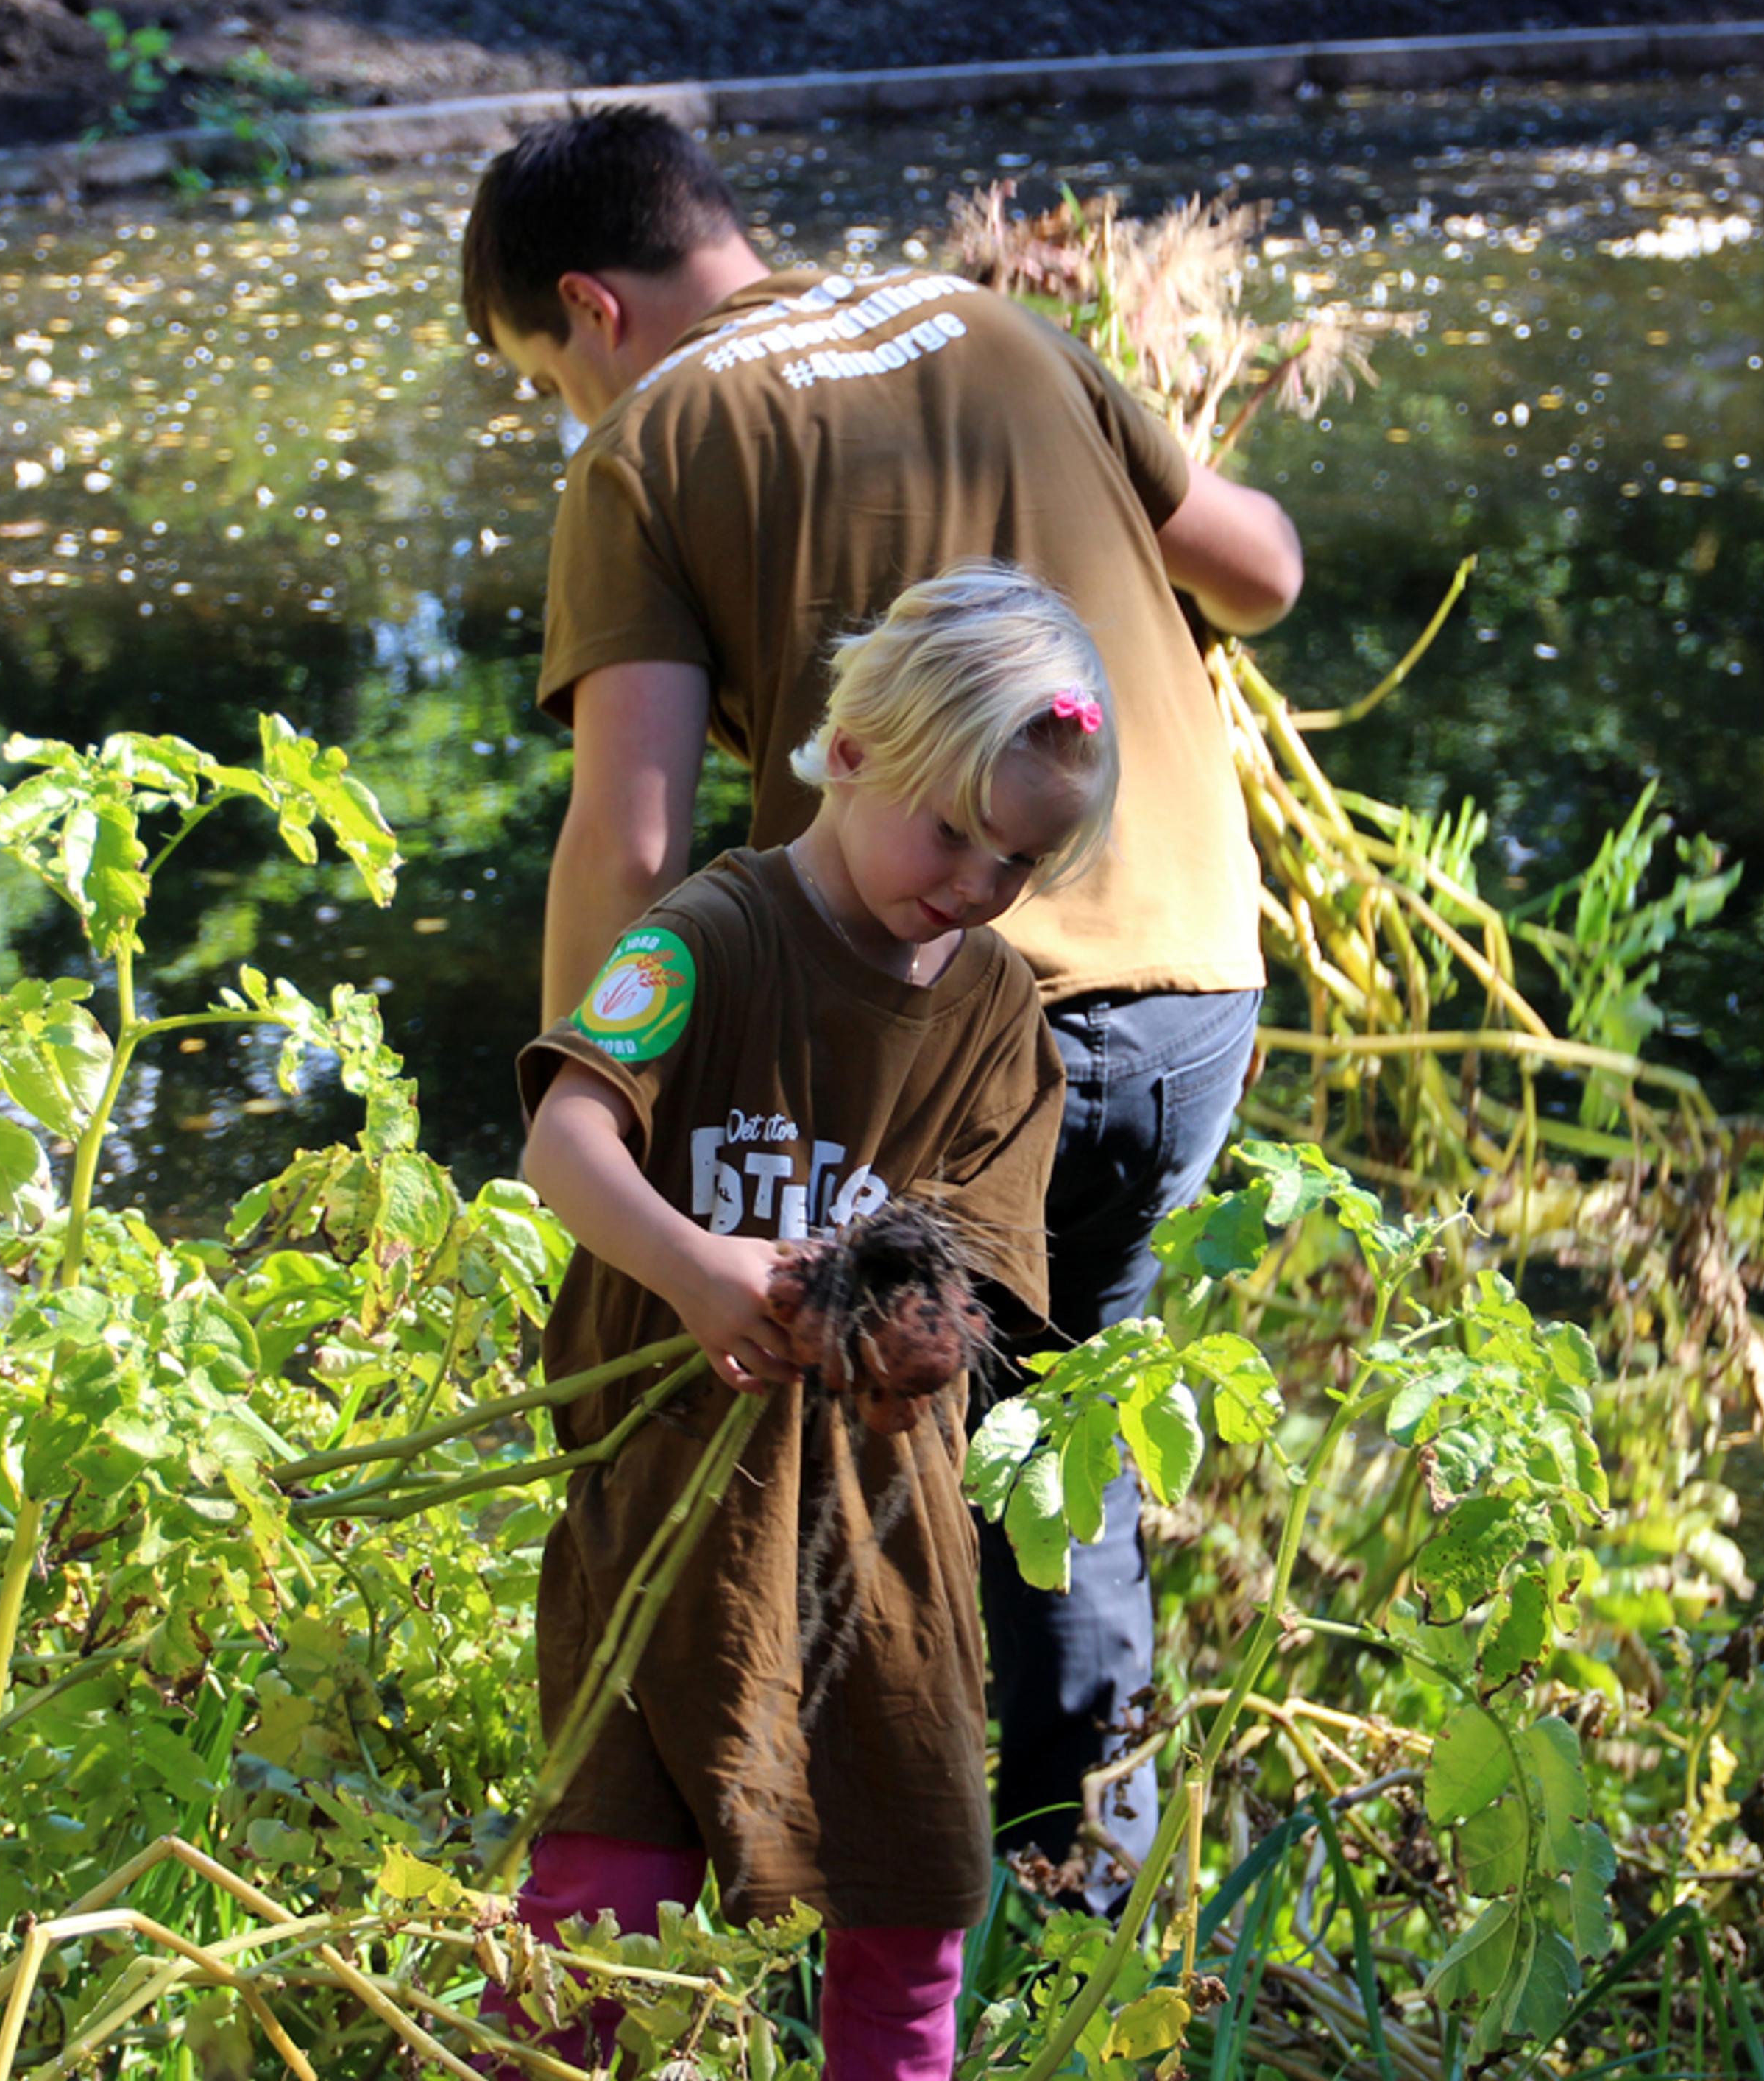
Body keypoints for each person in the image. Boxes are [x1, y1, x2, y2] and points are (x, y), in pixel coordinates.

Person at [463, 103, 1304, 1906]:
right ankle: (1080, 1913)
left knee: (852, 1462)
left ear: (591, 309)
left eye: (545, 379)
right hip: (1192, 984)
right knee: (1054, 1439)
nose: (566, 411)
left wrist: (603, 1134)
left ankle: (819, 1898)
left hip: (927, 1021)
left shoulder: (651, 443)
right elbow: (1263, 570)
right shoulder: (993, 323)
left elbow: (633, 835)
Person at [503, 565, 1116, 2080]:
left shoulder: (997, 1013)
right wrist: (695, 1268)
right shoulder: (703, 940)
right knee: (601, 1913)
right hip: (664, 1518)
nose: (978, 884)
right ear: (846, 754)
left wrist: (906, 1333)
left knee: (905, 1904)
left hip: (876, 1536)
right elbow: (565, 1142)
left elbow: (977, 1273)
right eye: (953, 831)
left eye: (1021, 860)